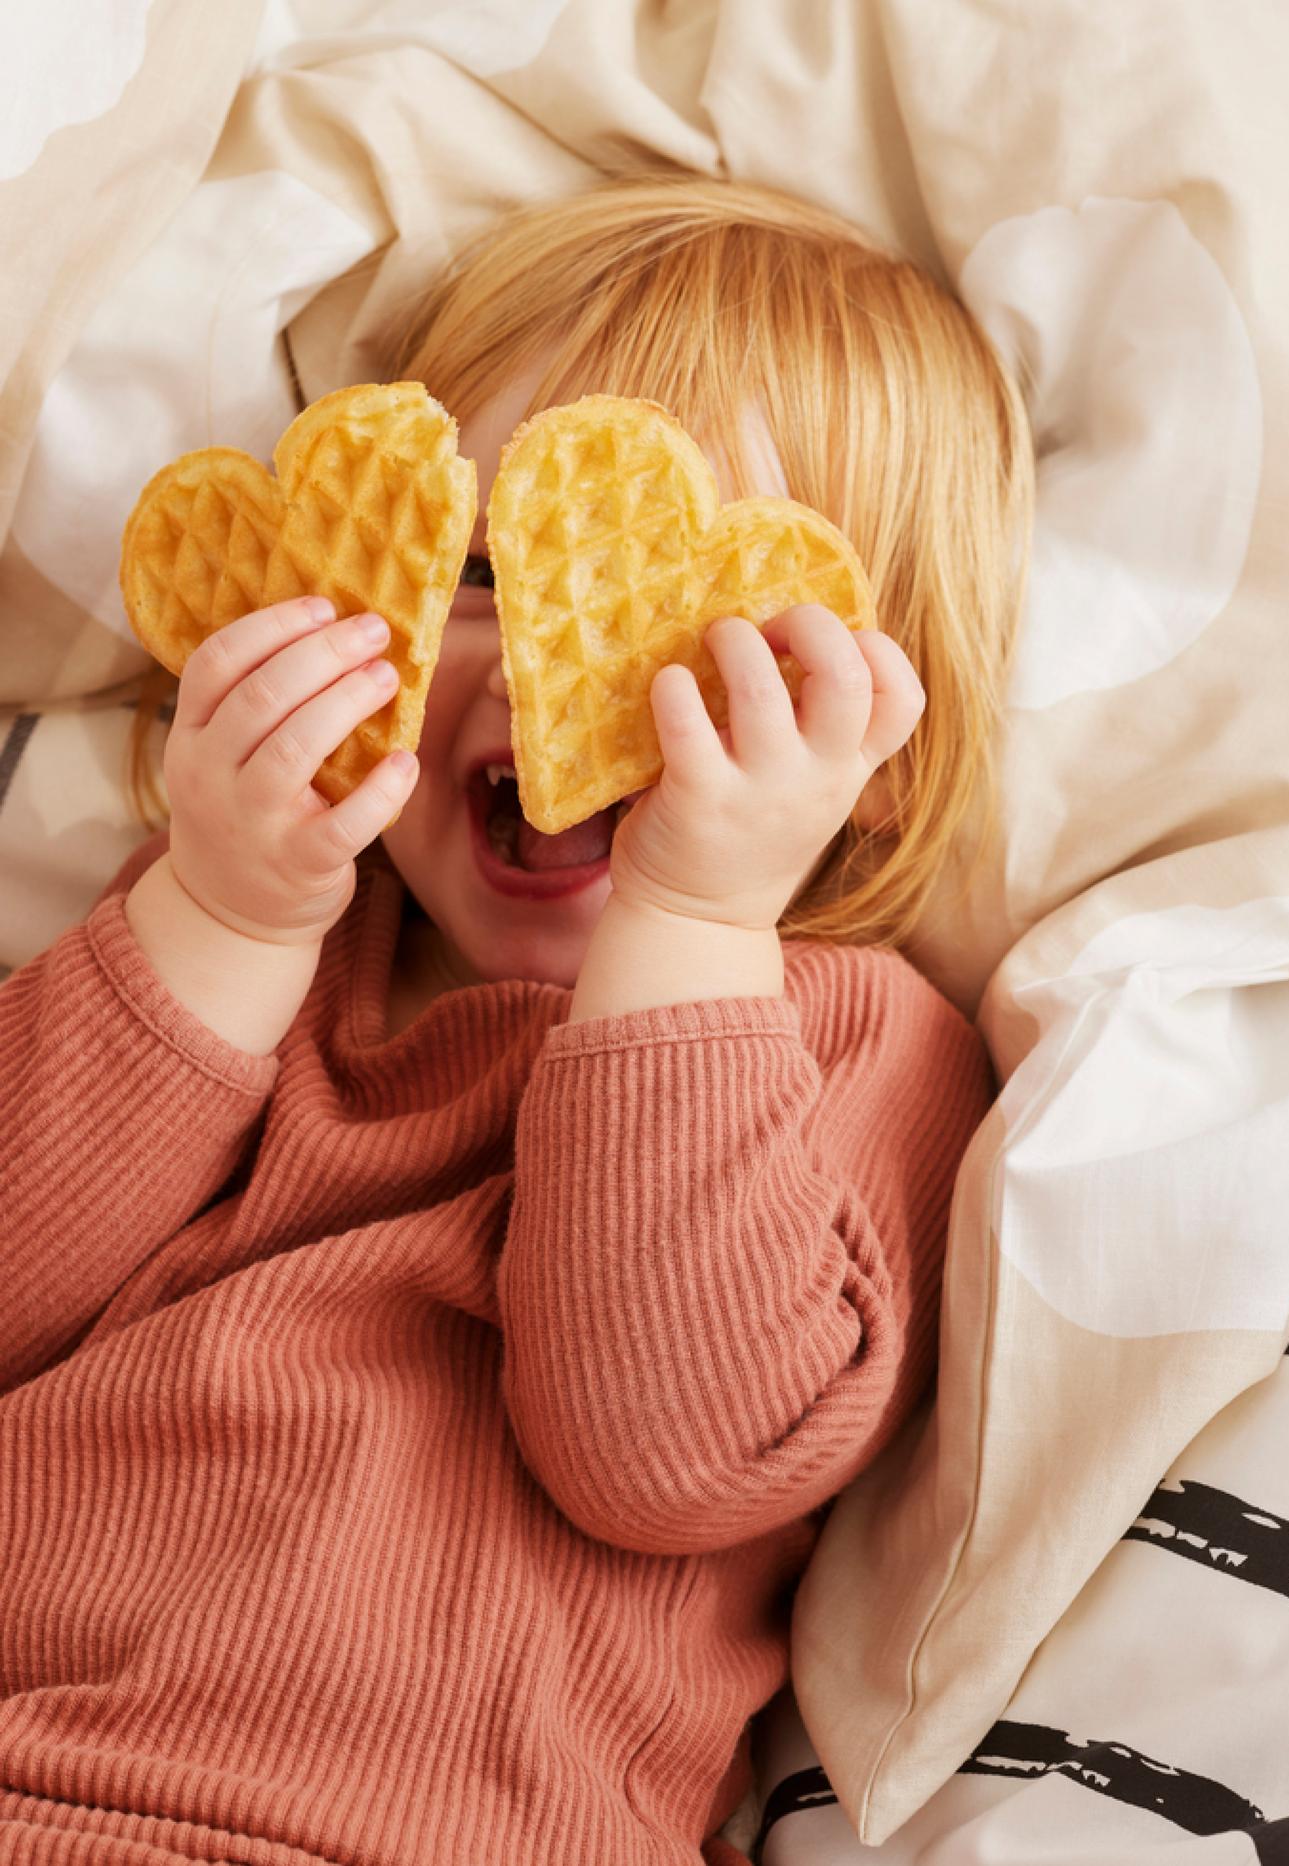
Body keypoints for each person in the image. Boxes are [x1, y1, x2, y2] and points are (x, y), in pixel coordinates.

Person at [0, 177, 1033, 1865]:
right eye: (488, 568)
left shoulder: (852, 1039)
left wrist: (693, 917)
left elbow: (666, 1453)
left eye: (694, 620)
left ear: (882, 736)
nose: (571, 673)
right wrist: (225, 914)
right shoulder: (250, 935)